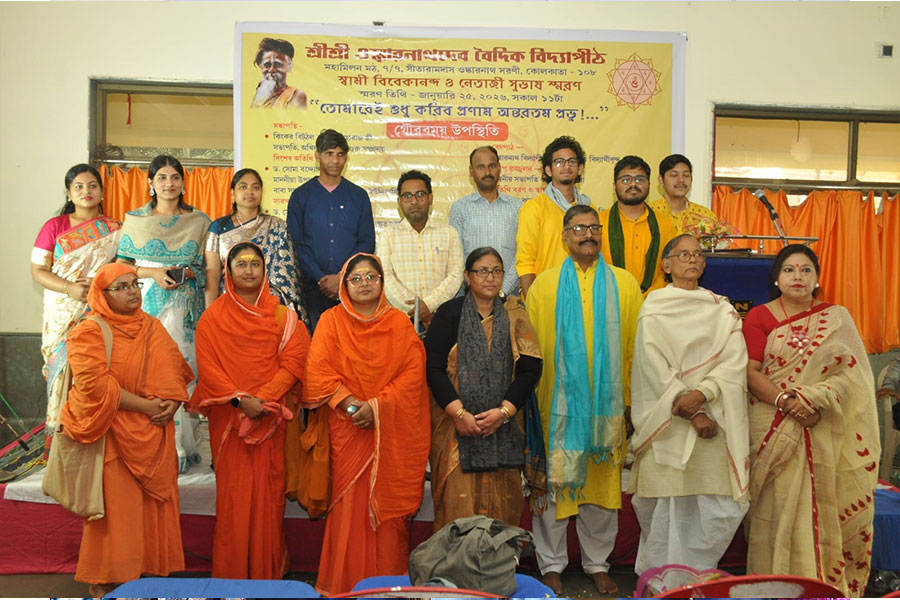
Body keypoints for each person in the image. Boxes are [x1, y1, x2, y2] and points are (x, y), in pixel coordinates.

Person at [742, 244, 880, 596]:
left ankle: (822, 587)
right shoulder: (759, 317)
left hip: (823, 425)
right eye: (789, 270)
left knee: (821, 507)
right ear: (776, 278)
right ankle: (771, 586)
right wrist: (789, 402)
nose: (798, 277)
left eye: (806, 270)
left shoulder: (837, 318)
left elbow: (852, 377)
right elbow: (750, 372)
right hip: (773, 423)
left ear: (817, 278)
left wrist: (815, 399)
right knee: (774, 511)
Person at [525, 205, 642, 595]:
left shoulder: (625, 284)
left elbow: (635, 349)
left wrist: (629, 401)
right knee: (555, 485)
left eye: (594, 227)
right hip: (557, 407)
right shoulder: (543, 285)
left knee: (601, 490)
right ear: (564, 236)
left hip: (607, 407)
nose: (588, 234)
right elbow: (530, 352)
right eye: (579, 228)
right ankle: (551, 565)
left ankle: (597, 564)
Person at [62, 262, 193, 597]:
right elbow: (95, 387)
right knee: (116, 515)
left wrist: (172, 402)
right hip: (112, 435)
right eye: (121, 287)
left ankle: (146, 577)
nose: (132, 292)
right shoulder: (88, 331)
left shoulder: (151, 325)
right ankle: (106, 581)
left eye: (135, 284)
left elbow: (175, 369)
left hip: (154, 433)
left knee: (149, 511)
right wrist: (147, 407)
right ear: (101, 294)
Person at [304, 253, 430, 596]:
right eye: (355, 278)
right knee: (348, 508)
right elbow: (318, 371)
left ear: (382, 282)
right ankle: (344, 585)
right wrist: (351, 406)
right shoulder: (331, 321)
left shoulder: (399, 324)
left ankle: (388, 587)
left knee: (388, 515)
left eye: (371, 277)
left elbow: (413, 376)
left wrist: (377, 407)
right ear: (344, 286)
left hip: (390, 432)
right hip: (348, 428)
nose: (364, 284)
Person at [629, 233, 750, 581]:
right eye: (683, 254)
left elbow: (734, 360)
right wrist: (693, 412)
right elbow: (652, 365)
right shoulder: (655, 306)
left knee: (719, 508)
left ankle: (695, 579)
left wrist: (704, 394)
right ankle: (660, 582)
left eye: (697, 254)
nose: (692, 259)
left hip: (715, 418)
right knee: (663, 511)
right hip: (668, 422)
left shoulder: (721, 309)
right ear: (666, 265)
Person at [191, 242, 310, 579]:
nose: (248, 270)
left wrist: (264, 400)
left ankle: (266, 573)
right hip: (230, 420)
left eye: (254, 263)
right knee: (233, 499)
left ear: (264, 270)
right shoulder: (212, 318)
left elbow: (295, 362)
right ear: (228, 272)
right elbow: (209, 369)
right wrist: (241, 401)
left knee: (269, 499)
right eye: (240, 264)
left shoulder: (284, 317)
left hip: (271, 419)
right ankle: (231, 576)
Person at [424, 247, 542, 531]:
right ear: (467, 276)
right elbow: (433, 368)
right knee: (456, 502)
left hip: (504, 426)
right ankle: (456, 558)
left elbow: (530, 369)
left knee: (503, 505)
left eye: (496, 271)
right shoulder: (449, 313)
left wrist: (503, 412)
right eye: (482, 271)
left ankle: (498, 557)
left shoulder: (514, 313)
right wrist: (459, 414)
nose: (490, 278)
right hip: (454, 427)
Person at [117, 154, 213, 473]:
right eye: (161, 177)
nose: (168, 183)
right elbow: (121, 266)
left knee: (182, 372)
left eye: (174, 177)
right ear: (151, 183)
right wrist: (153, 273)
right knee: (148, 374)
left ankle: (182, 446)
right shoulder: (135, 220)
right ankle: (153, 446)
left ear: (183, 183)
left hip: (185, 310)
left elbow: (209, 268)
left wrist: (184, 273)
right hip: (145, 307)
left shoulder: (199, 221)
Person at [31, 164, 122, 453]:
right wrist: (69, 288)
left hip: (99, 312)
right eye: (79, 187)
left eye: (92, 185)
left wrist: (98, 284)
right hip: (61, 312)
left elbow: (122, 271)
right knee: (62, 374)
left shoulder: (116, 229)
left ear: (102, 191)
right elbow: (38, 270)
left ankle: (96, 445)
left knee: (95, 375)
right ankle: (59, 445)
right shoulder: (54, 227)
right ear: (69, 193)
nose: (86, 191)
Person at [287, 129, 375, 331]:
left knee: (352, 344)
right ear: (317, 156)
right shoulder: (300, 196)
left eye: (340, 154)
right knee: (317, 345)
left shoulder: (359, 196)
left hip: (352, 288)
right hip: (311, 290)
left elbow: (366, 242)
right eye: (329, 154)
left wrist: (342, 277)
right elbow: (296, 244)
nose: (335, 160)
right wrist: (321, 279)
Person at [205, 168, 306, 324]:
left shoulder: (277, 226)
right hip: (229, 309)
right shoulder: (218, 228)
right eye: (243, 187)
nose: (250, 192)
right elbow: (212, 274)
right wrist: (210, 315)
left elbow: (287, 276)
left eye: (255, 187)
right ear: (232, 193)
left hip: (269, 311)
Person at [377, 170, 463, 330]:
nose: (414, 201)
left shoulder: (449, 233)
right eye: (407, 196)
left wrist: (429, 306)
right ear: (399, 201)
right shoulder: (387, 236)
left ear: (430, 198)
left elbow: (456, 275)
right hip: (400, 320)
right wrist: (417, 311)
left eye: (420, 194)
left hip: (441, 318)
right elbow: (386, 278)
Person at [516, 136, 593, 299]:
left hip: (582, 296)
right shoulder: (533, 208)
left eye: (572, 161)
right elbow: (525, 261)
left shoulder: (589, 209)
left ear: (580, 168)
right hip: (546, 295)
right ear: (548, 170)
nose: (566, 166)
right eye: (559, 162)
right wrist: (533, 301)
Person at [448, 146, 523, 296]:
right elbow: (456, 257)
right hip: (470, 296)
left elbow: (522, 255)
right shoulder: (460, 208)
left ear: (499, 168)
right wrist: (476, 289)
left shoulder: (518, 208)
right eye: (481, 167)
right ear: (471, 171)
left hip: (508, 297)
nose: (487, 172)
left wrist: (502, 291)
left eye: (492, 166)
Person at [599, 155, 678, 295]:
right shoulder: (598, 223)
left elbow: (670, 268)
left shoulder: (665, 224)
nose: (633, 185)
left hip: (655, 299)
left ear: (649, 184)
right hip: (609, 298)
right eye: (626, 180)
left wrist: (650, 295)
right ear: (614, 186)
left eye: (639, 179)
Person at [648, 154, 718, 233]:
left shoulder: (705, 216)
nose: (681, 180)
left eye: (686, 175)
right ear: (661, 180)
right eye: (674, 175)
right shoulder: (649, 213)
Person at [250, 37, 308, 109]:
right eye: (267, 64)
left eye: (277, 64)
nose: (271, 70)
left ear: (289, 66)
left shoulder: (295, 95)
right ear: (261, 66)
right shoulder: (259, 96)